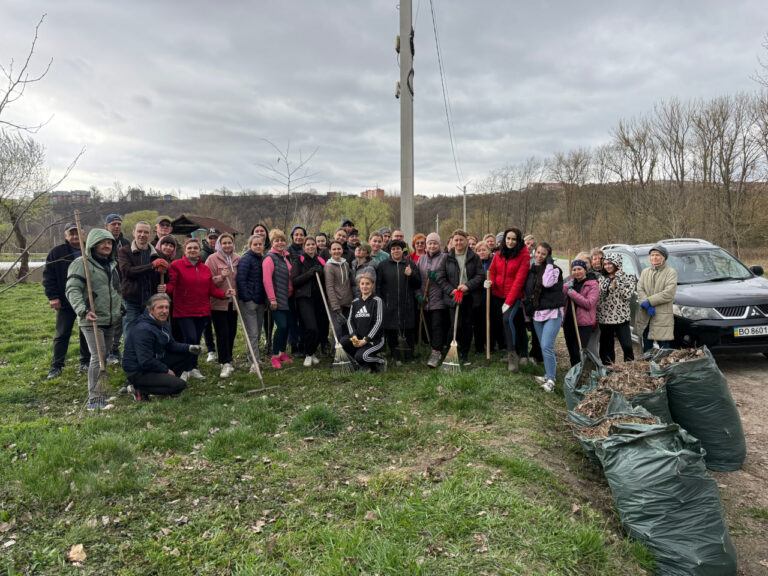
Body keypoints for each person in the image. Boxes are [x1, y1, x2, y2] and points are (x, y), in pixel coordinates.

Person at [65, 228, 123, 411]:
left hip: (110, 318)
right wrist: (83, 310)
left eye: (109, 243)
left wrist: (120, 307)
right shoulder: (81, 264)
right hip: (92, 318)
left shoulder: (112, 264)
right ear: (93, 244)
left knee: (104, 355)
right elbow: (72, 289)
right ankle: (94, 399)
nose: (107, 246)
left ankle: (101, 393)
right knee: (97, 357)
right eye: (103, 242)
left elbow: (115, 289)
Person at [166, 238, 233, 379]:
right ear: (184, 250)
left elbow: (211, 290)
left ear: (199, 250)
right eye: (189, 248)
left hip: (202, 310)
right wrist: (164, 289)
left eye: (195, 248)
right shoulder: (176, 265)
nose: (193, 250)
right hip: (184, 310)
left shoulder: (205, 268)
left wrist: (224, 294)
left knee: (196, 339)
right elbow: (171, 285)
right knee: (189, 338)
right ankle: (185, 368)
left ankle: (193, 367)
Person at [122, 294, 201, 401]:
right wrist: (166, 370)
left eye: (166, 307)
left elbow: (171, 345)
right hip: (138, 371)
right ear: (150, 310)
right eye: (160, 307)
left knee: (186, 354)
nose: (164, 311)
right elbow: (145, 361)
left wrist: (189, 348)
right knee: (180, 385)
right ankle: (139, 388)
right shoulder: (144, 329)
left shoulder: (162, 323)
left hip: (153, 362)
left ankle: (163, 385)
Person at [43, 222, 90, 380]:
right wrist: (53, 296)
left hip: (87, 299)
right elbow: (48, 276)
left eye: (78, 233)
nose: (75, 237)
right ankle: (56, 365)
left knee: (86, 331)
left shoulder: (90, 250)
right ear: (66, 236)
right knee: (62, 333)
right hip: (65, 299)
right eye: (72, 234)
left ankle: (86, 361)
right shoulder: (57, 253)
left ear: (84, 234)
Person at [436, 230, 484, 366]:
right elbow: (440, 277)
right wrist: (451, 290)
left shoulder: (473, 257)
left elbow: (480, 276)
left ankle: (465, 353)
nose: (458, 243)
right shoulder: (446, 257)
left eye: (461, 240)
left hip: (469, 296)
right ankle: (452, 351)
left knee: (467, 325)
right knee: (455, 325)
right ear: (452, 241)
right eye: (456, 240)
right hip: (454, 297)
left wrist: (467, 285)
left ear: (466, 241)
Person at [523, 242, 564, 392]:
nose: (539, 256)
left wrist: (549, 265)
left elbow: (547, 283)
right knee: (543, 345)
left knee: (547, 346)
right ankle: (547, 374)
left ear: (548, 256)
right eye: (537, 253)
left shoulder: (554, 270)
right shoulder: (531, 270)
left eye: (543, 254)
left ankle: (551, 380)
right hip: (538, 313)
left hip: (552, 312)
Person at [488, 228, 530, 372]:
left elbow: (519, 281)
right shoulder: (499, 254)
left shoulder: (523, 256)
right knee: (517, 323)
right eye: (508, 239)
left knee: (507, 320)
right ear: (504, 239)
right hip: (498, 295)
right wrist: (490, 283)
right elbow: (492, 271)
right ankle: (522, 353)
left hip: (514, 296)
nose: (510, 242)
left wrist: (509, 301)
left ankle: (512, 356)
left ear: (518, 241)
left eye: (513, 239)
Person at [118, 221, 166, 341]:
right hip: (132, 301)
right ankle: (130, 359)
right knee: (130, 332)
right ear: (134, 233)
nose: (142, 235)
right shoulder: (125, 251)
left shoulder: (158, 254)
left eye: (146, 232)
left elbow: (164, 277)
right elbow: (127, 272)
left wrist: (164, 284)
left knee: (150, 333)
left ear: (150, 235)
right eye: (139, 231)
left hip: (151, 301)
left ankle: (147, 357)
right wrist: (151, 266)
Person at [377, 239, 421, 364]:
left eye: (398, 249)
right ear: (390, 251)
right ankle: (395, 355)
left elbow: (418, 283)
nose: (396, 251)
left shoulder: (410, 264)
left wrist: (411, 274)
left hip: (407, 303)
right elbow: (379, 286)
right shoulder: (383, 265)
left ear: (402, 250)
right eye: (393, 249)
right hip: (389, 303)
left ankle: (409, 356)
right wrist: (381, 301)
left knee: (408, 330)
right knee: (391, 330)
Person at [206, 233, 240, 378]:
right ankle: (224, 362)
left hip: (234, 303)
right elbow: (208, 281)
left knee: (232, 332)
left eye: (229, 243)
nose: (227, 245)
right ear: (219, 244)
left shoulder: (238, 258)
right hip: (218, 303)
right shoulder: (212, 259)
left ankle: (229, 358)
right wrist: (221, 277)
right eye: (224, 243)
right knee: (222, 333)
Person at [291, 236, 327, 367]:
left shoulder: (321, 260)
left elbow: (325, 279)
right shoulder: (299, 261)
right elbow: (295, 281)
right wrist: (310, 273)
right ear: (304, 247)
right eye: (308, 245)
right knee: (311, 328)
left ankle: (312, 352)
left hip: (320, 298)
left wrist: (321, 273)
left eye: (313, 244)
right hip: (304, 299)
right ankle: (308, 353)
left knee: (319, 327)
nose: (311, 247)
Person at [341, 270, 386, 373]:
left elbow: (378, 322)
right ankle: (364, 365)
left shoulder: (377, 301)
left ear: (372, 285)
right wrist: (353, 336)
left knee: (362, 356)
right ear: (359, 285)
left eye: (367, 284)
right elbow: (350, 321)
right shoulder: (355, 302)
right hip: (359, 338)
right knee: (344, 342)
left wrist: (366, 339)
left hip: (374, 340)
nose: (364, 286)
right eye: (362, 284)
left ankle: (380, 361)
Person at [262, 229, 294, 369]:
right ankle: (274, 355)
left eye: (282, 240)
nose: (280, 243)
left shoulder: (286, 257)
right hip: (275, 300)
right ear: (272, 243)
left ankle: (282, 353)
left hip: (287, 299)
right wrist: (272, 299)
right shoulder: (269, 258)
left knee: (286, 327)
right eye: (277, 241)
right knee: (281, 326)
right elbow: (266, 280)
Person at [636, 245, 677, 352]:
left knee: (664, 346)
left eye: (657, 255)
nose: (654, 257)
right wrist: (644, 302)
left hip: (662, 316)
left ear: (664, 257)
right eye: (652, 255)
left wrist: (649, 301)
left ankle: (664, 367)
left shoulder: (670, 272)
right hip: (646, 314)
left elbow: (669, 293)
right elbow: (640, 289)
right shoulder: (645, 272)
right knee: (647, 345)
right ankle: (648, 366)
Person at [597, 253, 636, 364]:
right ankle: (608, 370)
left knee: (627, 346)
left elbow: (627, 295)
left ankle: (629, 368)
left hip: (621, 317)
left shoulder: (628, 278)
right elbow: (601, 295)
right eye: (605, 264)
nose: (607, 266)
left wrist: (618, 279)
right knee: (606, 348)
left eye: (610, 263)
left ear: (617, 263)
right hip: (605, 317)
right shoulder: (601, 279)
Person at [417, 232, 448, 368]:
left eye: (435, 243)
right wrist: (418, 296)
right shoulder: (421, 260)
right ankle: (434, 347)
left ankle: (436, 352)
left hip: (439, 299)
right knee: (428, 326)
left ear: (439, 244)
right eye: (430, 243)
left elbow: (448, 278)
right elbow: (417, 280)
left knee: (437, 326)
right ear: (426, 245)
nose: (432, 245)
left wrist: (438, 277)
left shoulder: (444, 258)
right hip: (425, 299)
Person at [562, 259, 599, 367]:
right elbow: (561, 299)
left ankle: (580, 372)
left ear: (585, 270)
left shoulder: (592, 284)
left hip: (583, 324)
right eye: (574, 269)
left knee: (578, 350)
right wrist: (565, 289)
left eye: (579, 269)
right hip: (568, 322)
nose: (577, 272)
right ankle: (573, 373)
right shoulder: (570, 283)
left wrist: (571, 292)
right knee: (571, 351)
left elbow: (589, 303)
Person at [237, 234, 267, 368]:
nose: (258, 246)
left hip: (260, 301)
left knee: (257, 332)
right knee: (253, 333)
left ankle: (255, 358)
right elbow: (241, 280)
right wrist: (247, 298)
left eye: (260, 244)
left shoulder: (262, 259)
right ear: (250, 246)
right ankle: (253, 361)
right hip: (249, 302)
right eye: (255, 244)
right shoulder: (246, 259)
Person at [104, 213, 130, 364]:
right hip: (105, 287)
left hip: (122, 287)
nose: (117, 226)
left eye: (119, 224)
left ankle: (115, 348)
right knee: (108, 320)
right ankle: (104, 351)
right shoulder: (100, 242)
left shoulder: (125, 243)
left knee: (120, 318)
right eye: (113, 224)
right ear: (106, 226)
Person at [324, 240, 353, 348]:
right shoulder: (329, 266)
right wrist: (335, 307)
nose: (336, 251)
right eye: (334, 249)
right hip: (336, 304)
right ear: (330, 251)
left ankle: (346, 352)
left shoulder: (346, 264)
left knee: (347, 330)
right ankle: (335, 352)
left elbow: (348, 284)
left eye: (338, 249)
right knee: (337, 329)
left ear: (342, 250)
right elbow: (330, 287)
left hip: (347, 303)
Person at [200, 228, 220, 362]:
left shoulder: (223, 252)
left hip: (219, 293)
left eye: (215, 238)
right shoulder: (202, 254)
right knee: (206, 324)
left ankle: (221, 348)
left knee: (219, 323)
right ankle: (211, 350)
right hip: (206, 294)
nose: (213, 240)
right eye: (211, 238)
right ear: (207, 239)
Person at [472, 240, 494, 356]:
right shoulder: (474, 263)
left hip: (490, 297)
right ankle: (479, 346)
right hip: (477, 298)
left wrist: (491, 282)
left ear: (489, 251)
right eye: (479, 250)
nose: (482, 252)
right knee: (478, 323)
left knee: (490, 322)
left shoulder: (492, 262)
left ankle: (490, 345)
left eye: (484, 250)